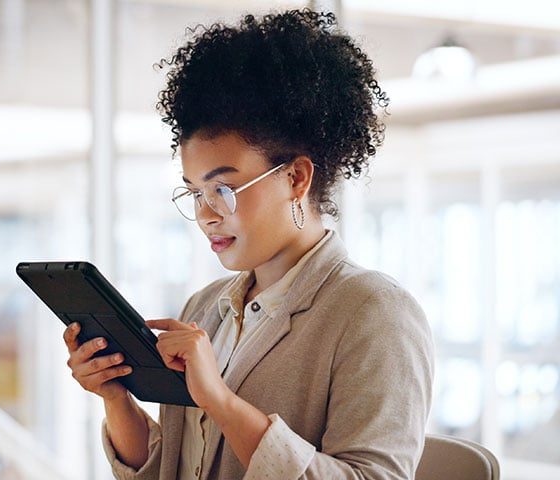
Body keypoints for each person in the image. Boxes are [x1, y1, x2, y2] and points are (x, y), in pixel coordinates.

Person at [63, 9, 434, 480]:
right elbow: (173, 469)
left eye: (222, 189)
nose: (205, 214)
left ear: (296, 178)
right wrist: (117, 397)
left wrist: (219, 401)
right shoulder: (205, 308)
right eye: (195, 192)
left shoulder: (376, 313)